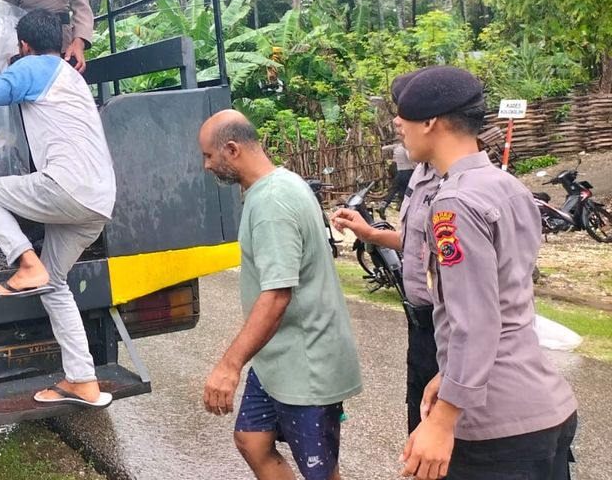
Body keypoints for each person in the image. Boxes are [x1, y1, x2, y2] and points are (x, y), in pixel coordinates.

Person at [393, 66, 577, 480]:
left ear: (430, 123)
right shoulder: (506, 184)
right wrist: (448, 375)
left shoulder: (454, 203)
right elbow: (506, 300)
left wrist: (443, 420)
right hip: (545, 408)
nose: (399, 128)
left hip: (497, 430)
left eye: (404, 118)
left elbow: (475, 322)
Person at [0, 9, 115, 408]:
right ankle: (83, 381)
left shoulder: (34, 68)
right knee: (55, 285)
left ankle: (25, 262)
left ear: (23, 45)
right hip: (98, 201)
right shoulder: (70, 75)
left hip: (66, 188)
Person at [200, 110, 362, 480]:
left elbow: (277, 295)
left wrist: (229, 366)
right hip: (277, 358)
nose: (206, 166)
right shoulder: (281, 183)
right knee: (252, 439)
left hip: (307, 365)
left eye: (209, 156)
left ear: (232, 149)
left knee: (320, 471)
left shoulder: (272, 204)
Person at [332, 68, 444, 434]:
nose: (396, 121)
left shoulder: (458, 190)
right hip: (422, 327)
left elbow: (477, 305)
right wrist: (369, 233)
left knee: (444, 438)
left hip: (448, 332)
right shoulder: (423, 173)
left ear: (430, 119)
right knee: (420, 424)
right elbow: (421, 245)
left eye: (404, 111)